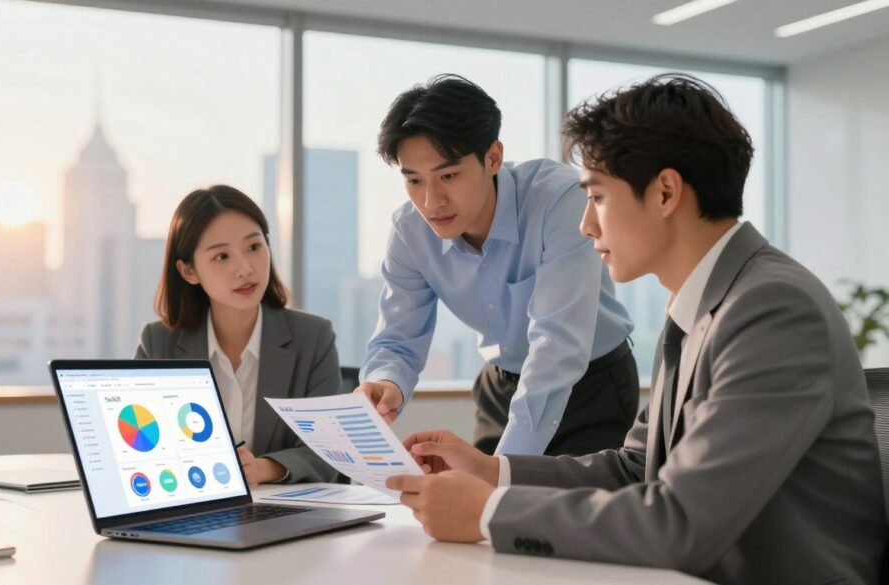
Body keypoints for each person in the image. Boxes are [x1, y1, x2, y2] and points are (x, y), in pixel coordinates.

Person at [387, 74, 886, 584]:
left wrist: (490, 513)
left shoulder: (774, 310)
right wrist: (490, 472)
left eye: (597, 197)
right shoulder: (697, 306)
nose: (585, 225)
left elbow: (680, 522)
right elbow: (634, 469)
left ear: (665, 191)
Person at [357, 74, 637, 457]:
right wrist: (386, 381)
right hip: (501, 385)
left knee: (573, 511)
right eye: (414, 180)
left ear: (493, 158)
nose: (431, 201)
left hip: (591, 384)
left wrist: (501, 472)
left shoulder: (559, 201)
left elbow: (557, 346)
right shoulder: (409, 231)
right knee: (481, 511)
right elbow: (397, 338)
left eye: (448, 175)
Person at [135, 185, 343, 484]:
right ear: (188, 271)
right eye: (222, 256)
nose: (245, 269)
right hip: (197, 509)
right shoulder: (158, 343)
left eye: (254, 247)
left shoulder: (314, 338)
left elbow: (328, 452)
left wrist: (261, 469)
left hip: (284, 513)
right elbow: (141, 447)